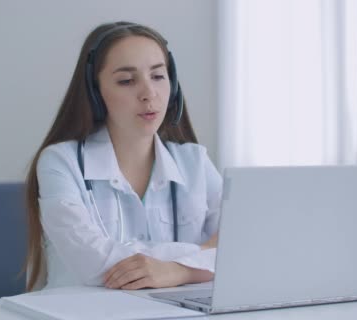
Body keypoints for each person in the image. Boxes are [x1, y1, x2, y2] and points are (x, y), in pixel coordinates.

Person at [24, 21, 222, 292]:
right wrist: (203, 255)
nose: (149, 93)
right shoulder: (60, 162)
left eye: (158, 76)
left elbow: (242, 249)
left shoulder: (195, 163)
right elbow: (94, 263)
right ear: (95, 93)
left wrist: (176, 271)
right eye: (127, 81)